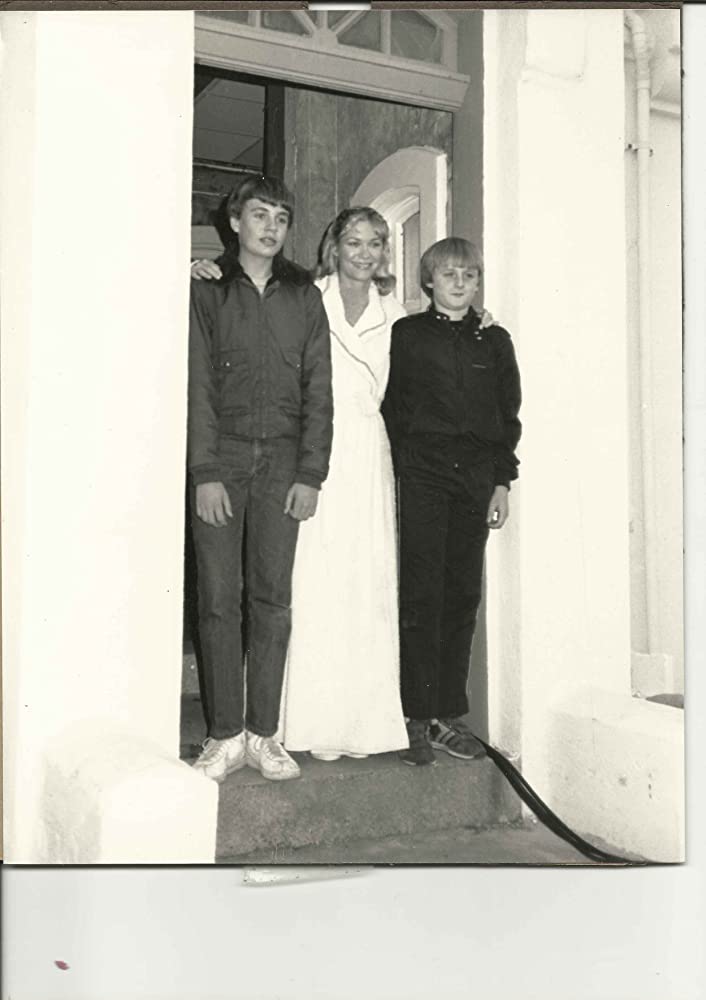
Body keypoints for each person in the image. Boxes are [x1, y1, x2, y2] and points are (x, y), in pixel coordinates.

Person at [188, 175, 333, 783]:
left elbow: (319, 389)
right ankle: (224, 736)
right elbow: (196, 385)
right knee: (219, 599)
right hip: (222, 461)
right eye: (259, 215)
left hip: (281, 465)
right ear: (235, 221)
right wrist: (205, 472)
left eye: (280, 218)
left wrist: (310, 473)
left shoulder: (304, 296)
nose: (270, 227)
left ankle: (263, 734)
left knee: (272, 600)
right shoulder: (208, 290)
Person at [381, 238, 522, 767]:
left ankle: (447, 714)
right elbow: (393, 407)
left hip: (476, 479)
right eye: (448, 274)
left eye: (469, 275)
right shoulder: (408, 335)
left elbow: (507, 416)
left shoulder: (495, 340)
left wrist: (501, 482)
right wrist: (407, 467)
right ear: (429, 281)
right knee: (421, 593)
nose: (459, 283)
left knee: (461, 594)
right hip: (424, 475)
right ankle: (416, 715)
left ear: (478, 282)